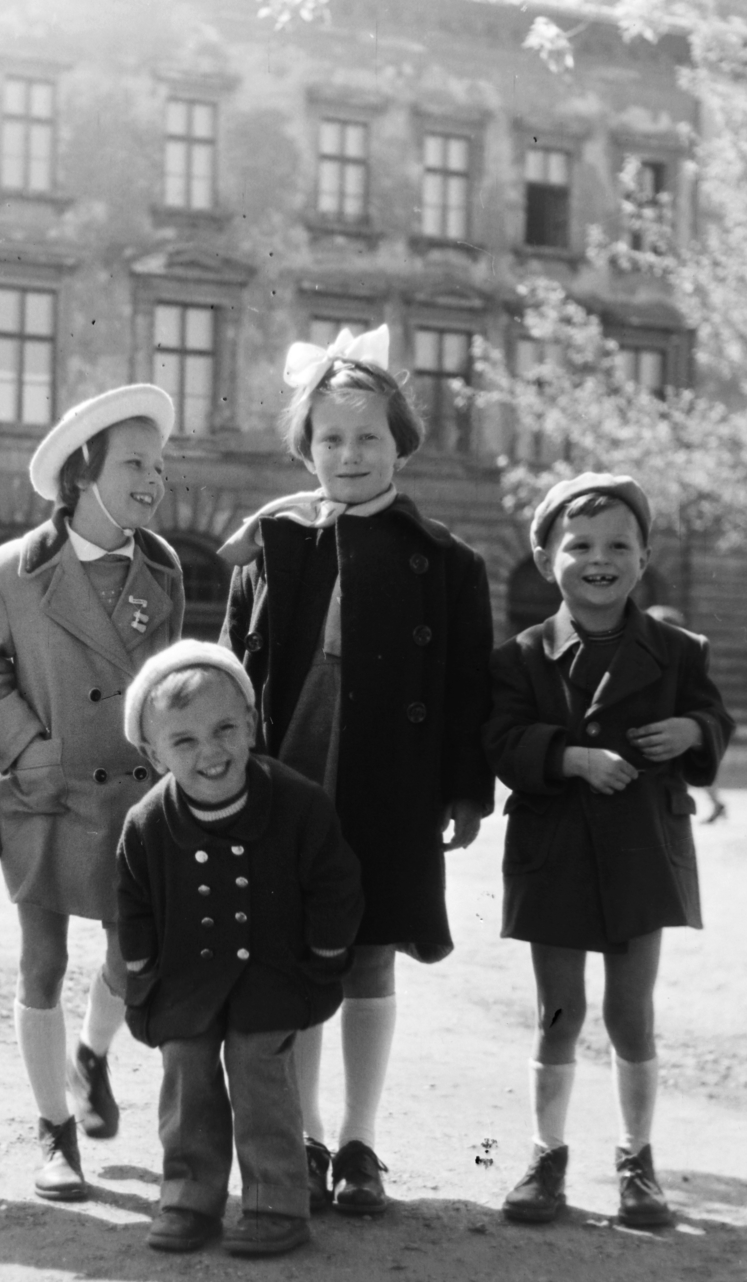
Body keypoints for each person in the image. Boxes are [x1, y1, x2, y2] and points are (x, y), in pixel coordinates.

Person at [220, 325, 494, 1216]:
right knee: (296, 956)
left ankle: (359, 1141)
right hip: (284, 775)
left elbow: (464, 686)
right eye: (330, 438)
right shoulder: (270, 544)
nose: (349, 453)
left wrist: (463, 789)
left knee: (370, 955)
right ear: (306, 446)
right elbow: (234, 663)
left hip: (387, 781)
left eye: (368, 436)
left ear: (399, 443)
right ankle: (298, 1134)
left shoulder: (449, 561)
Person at [484, 473, 733, 1228]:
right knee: (558, 1012)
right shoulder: (522, 656)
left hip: (639, 850)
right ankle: (545, 1156)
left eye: (619, 545)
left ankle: (636, 1160)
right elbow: (500, 740)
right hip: (554, 849)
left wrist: (694, 732)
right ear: (545, 558)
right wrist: (568, 757)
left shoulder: (678, 649)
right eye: (580, 545)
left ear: (645, 556)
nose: (600, 559)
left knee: (632, 1013)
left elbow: (712, 715)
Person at [0, 384, 185, 1201]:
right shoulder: (7, 571)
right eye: (134, 463)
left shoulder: (161, 568)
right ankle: (55, 1132)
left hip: (133, 799)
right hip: (46, 796)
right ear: (82, 472)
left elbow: (166, 685)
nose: (153, 479)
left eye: (157, 465)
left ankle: (91, 1053)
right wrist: (27, 749)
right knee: (42, 962)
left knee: (135, 952)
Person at [116, 642, 365, 1256]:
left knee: (262, 1077)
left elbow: (336, 884)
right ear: (153, 755)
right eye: (185, 741)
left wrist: (326, 956)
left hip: (271, 976)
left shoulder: (297, 802)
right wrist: (143, 970)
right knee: (187, 1077)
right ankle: (189, 1199)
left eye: (225, 728)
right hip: (185, 981)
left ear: (251, 724)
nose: (211, 752)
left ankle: (276, 1204)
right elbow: (133, 904)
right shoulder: (147, 823)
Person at [645, 605, 728, 823]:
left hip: (681, 723)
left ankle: (717, 803)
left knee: (693, 767)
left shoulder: (687, 655)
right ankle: (717, 803)